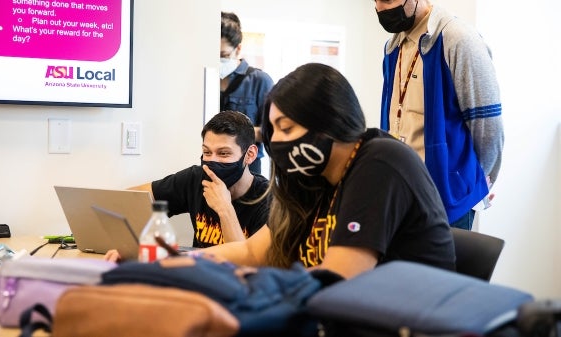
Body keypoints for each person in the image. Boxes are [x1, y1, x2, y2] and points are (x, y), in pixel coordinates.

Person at [200, 63, 455, 280]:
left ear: (329, 121)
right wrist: (188, 261)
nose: (276, 141)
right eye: (272, 131)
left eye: (286, 128)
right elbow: (253, 253)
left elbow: (338, 278)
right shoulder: (312, 178)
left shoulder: (380, 161)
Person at [374, 0, 504, 230]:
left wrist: (475, 183)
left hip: (448, 200)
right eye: (374, 1)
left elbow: (487, 126)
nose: (381, 8)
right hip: (401, 194)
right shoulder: (392, 47)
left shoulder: (459, 39)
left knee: (442, 267)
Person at [105, 111, 270, 261]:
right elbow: (129, 200)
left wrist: (225, 209)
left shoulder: (269, 199)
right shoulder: (195, 178)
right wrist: (131, 248)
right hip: (194, 275)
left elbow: (245, 263)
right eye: (207, 152)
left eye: (223, 153)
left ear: (250, 155)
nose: (212, 161)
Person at [220, 11, 274, 175]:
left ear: (238, 49)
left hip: (248, 169)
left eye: (224, 55)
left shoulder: (260, 81)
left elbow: (271, 132)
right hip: (213, 164)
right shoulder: (202, 80)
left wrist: (234, 134)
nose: (218, 60)